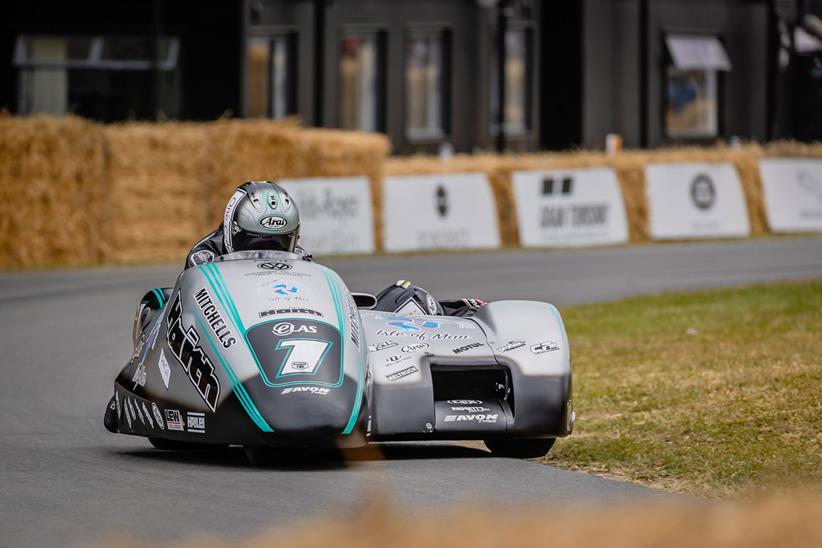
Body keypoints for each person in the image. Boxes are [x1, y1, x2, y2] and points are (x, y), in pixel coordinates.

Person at [134, 180, 485, 338]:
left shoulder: (301, 258)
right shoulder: (204, 257)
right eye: (256, 241)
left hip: (288, 325)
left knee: (410, 297)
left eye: (278, 241)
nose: (267, 249)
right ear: (234, 232)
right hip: (234, 330)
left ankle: (462, 309)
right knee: (157, 303)